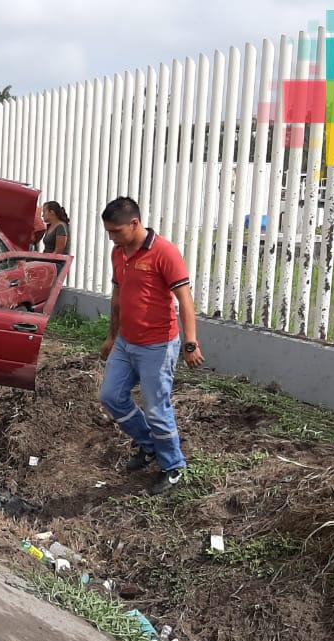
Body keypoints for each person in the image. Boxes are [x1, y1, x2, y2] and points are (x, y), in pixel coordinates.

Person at [97, 197, 204, 496]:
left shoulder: (164, 252)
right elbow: (118, 298)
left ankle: (173, 466)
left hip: (157, 345)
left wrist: (190, 341)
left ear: (134, 223)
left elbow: (184, 299)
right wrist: (111, 335)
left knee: (157, 409)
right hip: (126, 343)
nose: (112, 237)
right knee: (111, 397)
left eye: (116, 231)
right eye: (108, 232)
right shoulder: (118, 253)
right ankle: (149, 446)